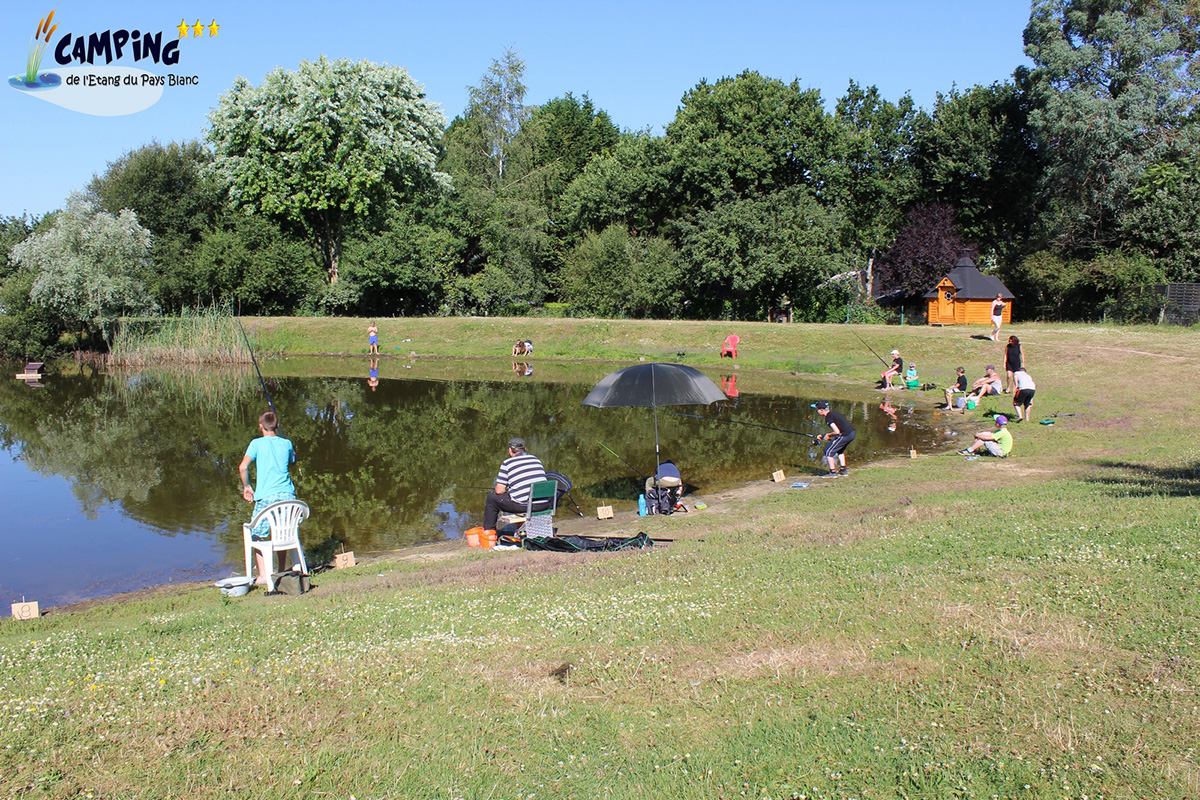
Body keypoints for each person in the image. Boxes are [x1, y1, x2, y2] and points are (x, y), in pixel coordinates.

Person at [238, 410, 298, 583]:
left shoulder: (256, 444)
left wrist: (247, 486)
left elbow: (243, 467)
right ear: (277, 425)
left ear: (260, 427)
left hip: (266, 498)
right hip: (288, 497)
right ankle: (281, 570)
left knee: (257, 534)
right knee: (283, 532)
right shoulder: (287, 443)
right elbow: (293, 460)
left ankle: (264, 575)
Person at [482, 436, 547, 535]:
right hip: (543, 504)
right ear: (525, 449)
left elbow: (499, 491)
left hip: (524, 506)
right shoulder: (536, 459)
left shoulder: (507, 463)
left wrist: (508, 489)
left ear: (509, 450)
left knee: (491, 498)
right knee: (516, 495)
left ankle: (489, 533)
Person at [813, 400, 855, 477]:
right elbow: (840, 429)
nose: (816, 411)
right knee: (840, 450)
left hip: (845, 435)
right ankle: (843, 470)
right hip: (851, 433)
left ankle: (833, 473)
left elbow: (836, 431)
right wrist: (823, 435)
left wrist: (828, 435)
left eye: (817, 410)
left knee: (828, 451)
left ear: (822, 410)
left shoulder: (828, 418)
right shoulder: (834, 414)